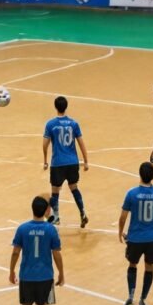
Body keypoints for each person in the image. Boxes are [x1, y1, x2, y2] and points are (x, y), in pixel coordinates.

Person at [9, 195, 64, 305]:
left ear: (32, 209)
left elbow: (15, 252)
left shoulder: (22, 229)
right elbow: (56, 253)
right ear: (46, 210)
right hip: (46, 276)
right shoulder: (51, 229)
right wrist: (61, 273)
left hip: (27, 275)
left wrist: (12, 270)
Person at [119, 162, 153, 305]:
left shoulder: (131, 193)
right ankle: (142, 300)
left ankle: (130, 296)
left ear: (140, 174)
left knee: (132, 264)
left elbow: (123, 216)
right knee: (149, 266)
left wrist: (120, 231)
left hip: (135, 238)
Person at [42, 96, 90, 227]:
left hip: (58, 163)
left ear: (55, 107)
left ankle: (56, 217)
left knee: (55, 191)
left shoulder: (50, 124)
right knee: (74, 187)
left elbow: (45, 144)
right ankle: (83, 213)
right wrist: (86, 161)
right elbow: (81, 143)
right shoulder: (74, 124)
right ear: (66, 106)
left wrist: (45, 160)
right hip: (72, 162)